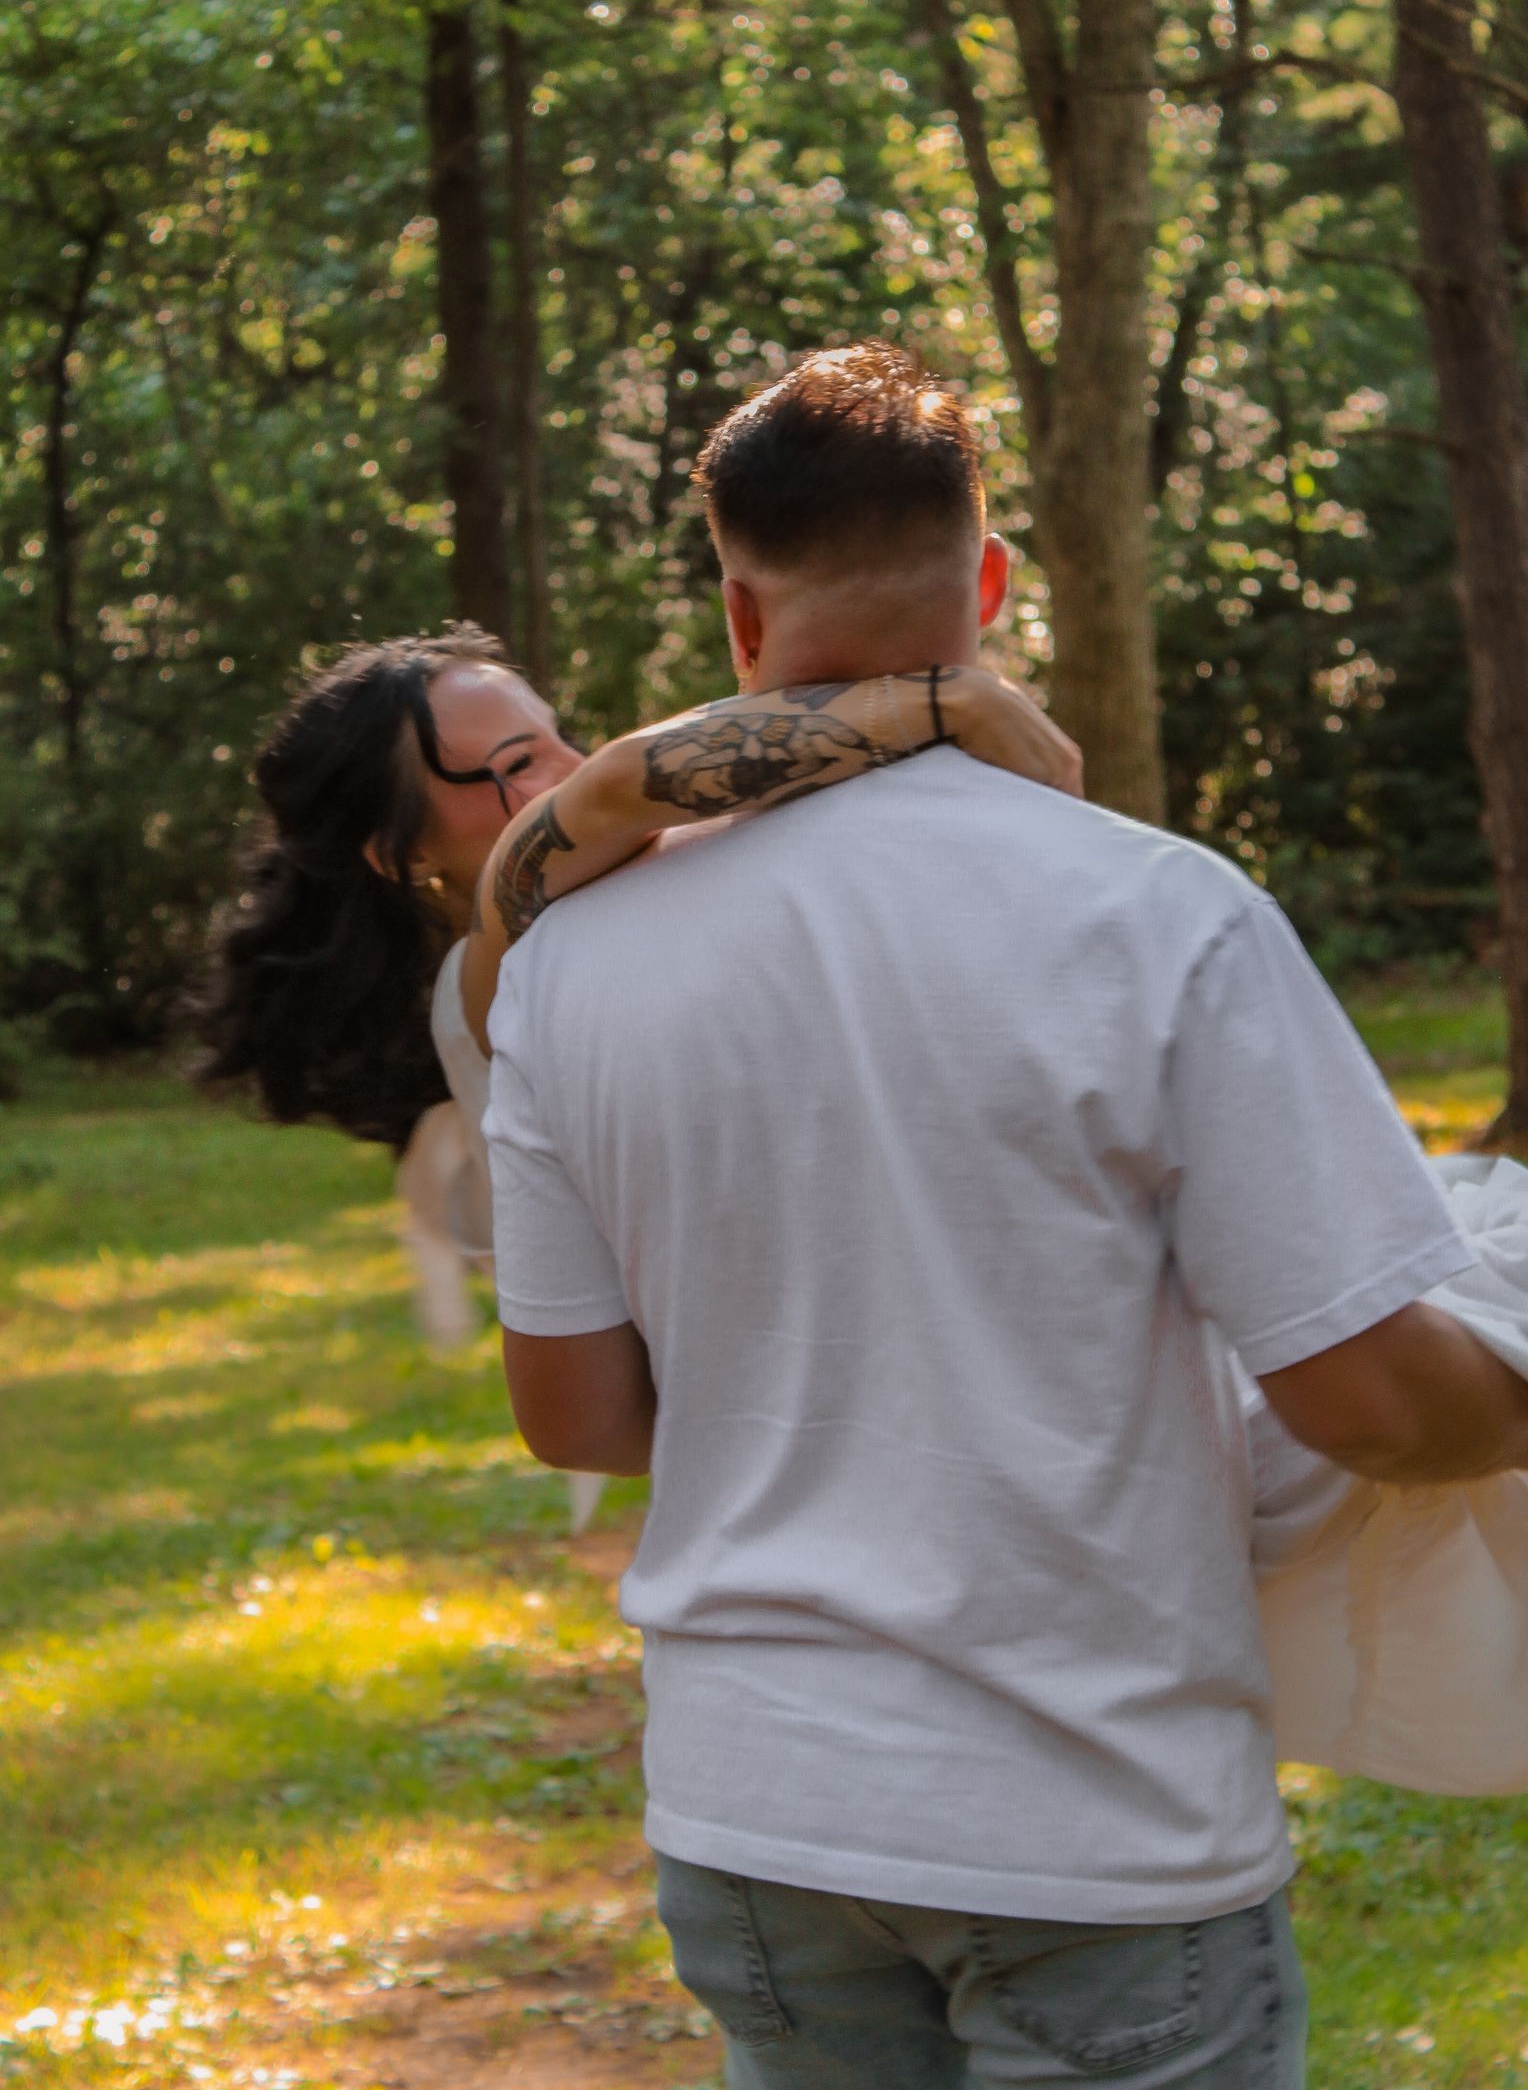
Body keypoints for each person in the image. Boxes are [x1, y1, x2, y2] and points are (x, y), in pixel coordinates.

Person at [482, 343, 1528, 2090]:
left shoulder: (568, 963)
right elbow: (1379, 1402)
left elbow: (573, 1414)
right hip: (1088, 1805)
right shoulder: (1161, 914)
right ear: (991, 589)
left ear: (736, 604)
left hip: (757, 1804)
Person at [196, 623, 1080, 1540]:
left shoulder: (628, 909)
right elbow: (621, 787)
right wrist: (945, 702)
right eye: (518, 762)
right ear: (401, 854)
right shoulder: (484, 984)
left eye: (557, 737)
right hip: (822, 1492)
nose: (567, 773)